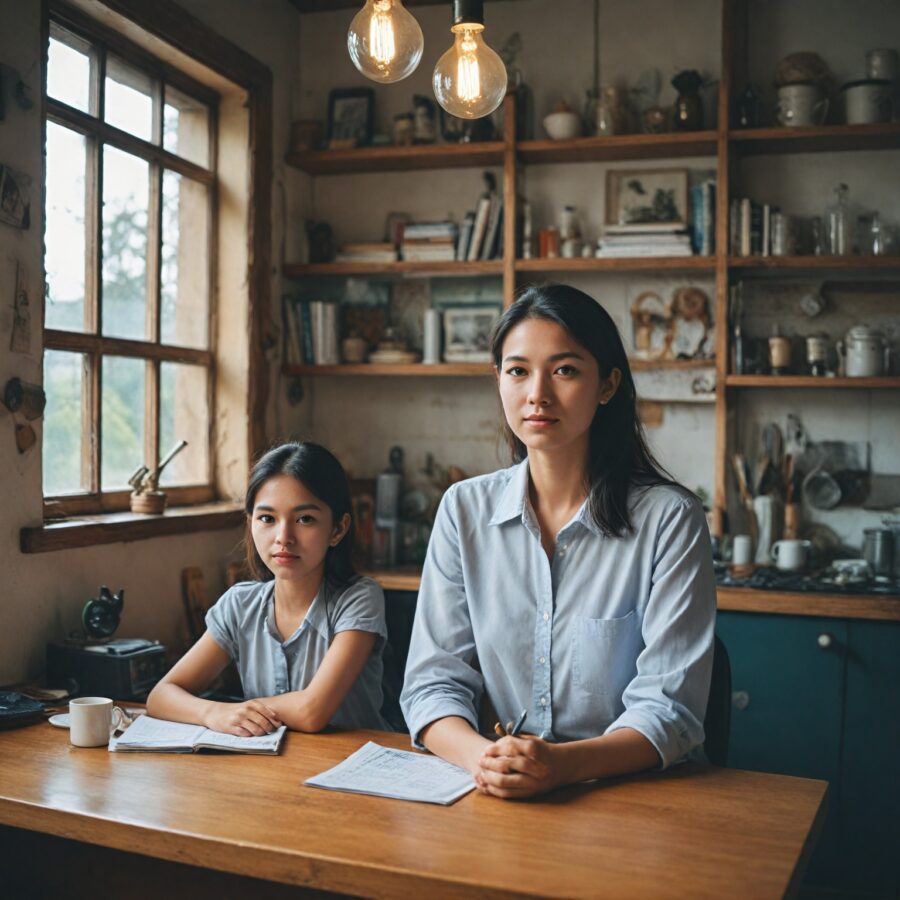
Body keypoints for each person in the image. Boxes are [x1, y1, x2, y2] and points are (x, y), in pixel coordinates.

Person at [400, 284, 715, 799]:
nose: (537, 395)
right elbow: (432, 685)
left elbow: (669, 709)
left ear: (608, 385)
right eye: (518, 371)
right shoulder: (463, 510)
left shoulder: (669, 520)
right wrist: (491, 762)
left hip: (638, 798)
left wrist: (559, 767)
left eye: (565, 370)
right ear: (498, 379)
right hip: (501, 790)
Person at [148, 441, 390, 735]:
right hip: (270, 770)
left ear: (337, 529)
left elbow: (312, 711)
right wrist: (214, 712)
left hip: (354, 769)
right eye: (267, 518)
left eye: (305, 519)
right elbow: (161, 696)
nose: (283, 537)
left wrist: (241, 711)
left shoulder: (359, 599)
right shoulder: (240, 605)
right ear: (251, 523)